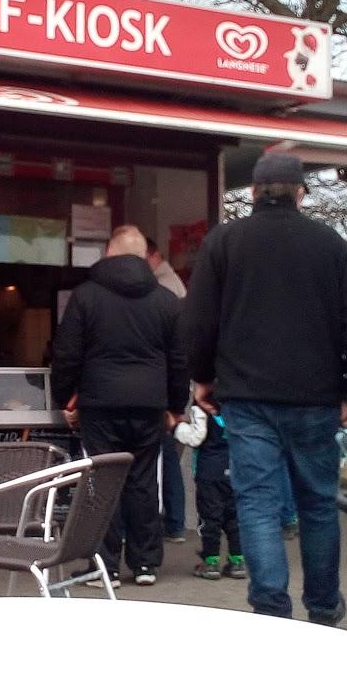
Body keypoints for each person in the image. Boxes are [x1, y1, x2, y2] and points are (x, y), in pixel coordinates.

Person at [185, 151, 347, 623]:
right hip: (316, 398)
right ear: (300, 193)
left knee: (257, 502)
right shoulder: (329, 244)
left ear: (253, 193)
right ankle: (325, 607)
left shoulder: (224, 242)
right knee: (317, 504)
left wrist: (204, 378)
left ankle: (270, 608)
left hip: (247, 398)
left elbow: (198, 322)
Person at [52, 223, 188, 586]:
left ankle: (104, 565)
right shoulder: (165, 301)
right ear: (146, 257)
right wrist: (176, 407)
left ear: (108, 253)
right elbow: (179, 360)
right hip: (148, 405)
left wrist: (64, 398)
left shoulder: (85, 297)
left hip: (99, 404)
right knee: (143, 481)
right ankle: (145, 564)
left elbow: (67, 354)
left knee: (102, 482)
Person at [145, 233, 188, 542]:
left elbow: (171, 347)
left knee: (166, 456)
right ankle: (173, 521)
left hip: (160, 386)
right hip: (166, 385)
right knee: (168, 455)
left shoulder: (164, 288)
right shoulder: (171, 284)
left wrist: (175, 403)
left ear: (151, 256)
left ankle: (172, 522)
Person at [175, 404, 245, 580]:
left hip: (209, 471)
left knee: (210, 515)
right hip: (234, 467)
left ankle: (211, 560)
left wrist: (177, 427)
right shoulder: (236, 407)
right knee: (234, 516)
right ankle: (237, 560)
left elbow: (196, 438)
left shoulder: (201, 410)